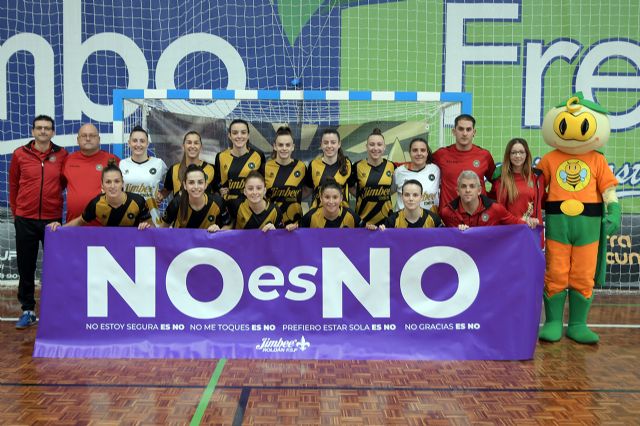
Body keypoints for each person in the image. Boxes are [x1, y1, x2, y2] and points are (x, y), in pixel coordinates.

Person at [9, 115, 68, 328]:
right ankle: (27, 310)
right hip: (25, 219)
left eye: (47, 128)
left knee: (55, 267)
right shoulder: (19, 154)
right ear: (33, 131)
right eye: (39, 128)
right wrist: (17, 212)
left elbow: (64, 182)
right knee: (26, 267)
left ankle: (56, 310)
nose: (43, 131)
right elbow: (13, 185)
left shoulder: (62, 155)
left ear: (53, 132)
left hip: (52, 220)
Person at [48, 162, 152, 230]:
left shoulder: (138, 201)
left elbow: (152, 228)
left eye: (116, 181)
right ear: (102, 185)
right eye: (108, 182)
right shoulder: (96, 204)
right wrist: (59, 228)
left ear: (122, 184)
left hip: (134, 247)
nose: (112, 186)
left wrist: (146, 226)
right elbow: (79, 222)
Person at [433, 114, 496, 212]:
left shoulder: (484, 155)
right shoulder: (441, 154)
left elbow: (497, 181)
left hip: (477, 215)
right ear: (454, 131)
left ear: (474, 132)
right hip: (448, 216)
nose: (465, 133)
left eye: (468, 129)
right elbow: (420, 165)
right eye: (461, 129)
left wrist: (488, 199)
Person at [440, 170, 538, 230]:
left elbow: (516, 224)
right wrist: (458, 232)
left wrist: (530, 222)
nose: (468, 190)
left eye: (472, 186)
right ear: (457, 191)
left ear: (479, 190)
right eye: (463, 186)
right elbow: (440, 238)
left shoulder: (495, 209)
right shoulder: (447, 213)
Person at [63, 123, 119, 223]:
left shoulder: (112, 160)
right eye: (84, 136)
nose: (88, 139)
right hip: (74, 224)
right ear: (77, 140)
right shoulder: (68, 160)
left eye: (92, 135)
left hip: (104, 225)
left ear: (99, 139)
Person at [213, 119, 266, 216]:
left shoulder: (258, 155)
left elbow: (264, 182)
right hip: (228, 208)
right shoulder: (220, 156)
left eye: (243, 132)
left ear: (248, 135)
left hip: (251, 209)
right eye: (235, 133)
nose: (239, 136)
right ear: (229, 135)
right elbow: (216, 181)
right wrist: (219, 189)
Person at [119, 126, 168, 226]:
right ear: (129, 143)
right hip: (128, 218)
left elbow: (170, 185)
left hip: (152, 219)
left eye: (142, 141)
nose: (138, 144)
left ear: (147, 143)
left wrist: (161, 195)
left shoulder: (159, 163)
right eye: (134, 141)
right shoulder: (122, 164)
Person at [489, 138, 544, 226]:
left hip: (532, 228)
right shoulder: (500, 178)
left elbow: (540, 202)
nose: (518, 156)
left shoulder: (537, 176)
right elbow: (500, 209)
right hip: (511, 229)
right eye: (513, 153)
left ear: (527, 154)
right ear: (508, 155)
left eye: (521, 152)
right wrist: (519, 221)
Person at [160, 164, 231, 232]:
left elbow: (228, 225)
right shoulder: (176, 203)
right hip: (181, 240)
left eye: (200, 182)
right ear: (185, 185)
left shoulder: (218, 202)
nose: (196, 187)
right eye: (191, 183)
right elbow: (161, 229)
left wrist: (219, 231)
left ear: (206, 185)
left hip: (205, 241)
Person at [349, 128, 395, 226]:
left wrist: (381, 194)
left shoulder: (392, 166)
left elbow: (393, 188)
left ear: (384, 147)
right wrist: (362, 195)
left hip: (387, 222)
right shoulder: (357, 166)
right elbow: (350, 187)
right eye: (372, 144)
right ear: (366, 147)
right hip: (363, 222)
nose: (375, 148)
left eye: (379, 144)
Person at [264, 126, 307, 226]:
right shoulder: (265, 167)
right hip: (271, 223)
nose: (284, 148)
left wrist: (293, 198)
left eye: (287, 145)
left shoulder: (301, 167)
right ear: (275, 146)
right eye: (280, 145)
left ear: (293, 147)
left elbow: (307, 189)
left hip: (295, 224)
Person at [158, 131, 215, 201]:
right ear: (183, 146)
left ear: (201, 147)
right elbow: (165, 191)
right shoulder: (174, 169)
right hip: (179, 208)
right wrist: (160, 196)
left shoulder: (211, 169)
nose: (192, 146)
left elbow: (217, 194)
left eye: (196, 143)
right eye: (189, 142)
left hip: (204, 208)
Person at [305, 128, 352, 209]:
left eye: (333, 142)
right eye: (326, 143)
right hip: (317, 214)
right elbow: (307, 190)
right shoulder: (313, 164)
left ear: (339, 144)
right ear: (321, 145)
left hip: (342, 214)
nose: (329, 146)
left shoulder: (347, 164)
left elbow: (352, 188)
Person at [392, 137, 440, 212]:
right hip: (402, 218)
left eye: (422, 150)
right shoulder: (399, 172)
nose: (419, 153)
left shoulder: (435, 170)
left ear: (427, 153)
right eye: (415, 150)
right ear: (409, 153)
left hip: (430, 218)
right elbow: (388, 192)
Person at [290, 181, 362, 229]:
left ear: (341, 198)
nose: (331, 201)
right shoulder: (311, 216)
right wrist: (291, 228)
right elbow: (296, 229)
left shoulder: (351, 216)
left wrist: (368, 227)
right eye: (327, 197)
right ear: (321, 198)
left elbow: (364, 229)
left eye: (335, 197)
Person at [377, 180, 442, 229]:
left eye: (415, 195)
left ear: (421, 197)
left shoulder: (434, 219)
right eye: (407, 195)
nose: (411, 199)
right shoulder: (392, 220)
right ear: (402, 197)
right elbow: (383, 240)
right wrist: (381, 232)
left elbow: (444, 238)